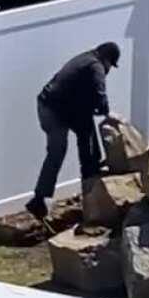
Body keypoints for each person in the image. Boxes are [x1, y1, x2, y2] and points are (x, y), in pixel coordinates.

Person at [26, 41, 121, 220]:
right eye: (111, 65)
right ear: (107, 59)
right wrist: (107, 113)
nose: (109, 69)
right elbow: (100, 92)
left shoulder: (85, 59)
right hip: (54, 110)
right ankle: (39, 200)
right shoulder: (96, 66)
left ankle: (89, 174)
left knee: (87, 136)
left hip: (58, 105)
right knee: (58, 151)